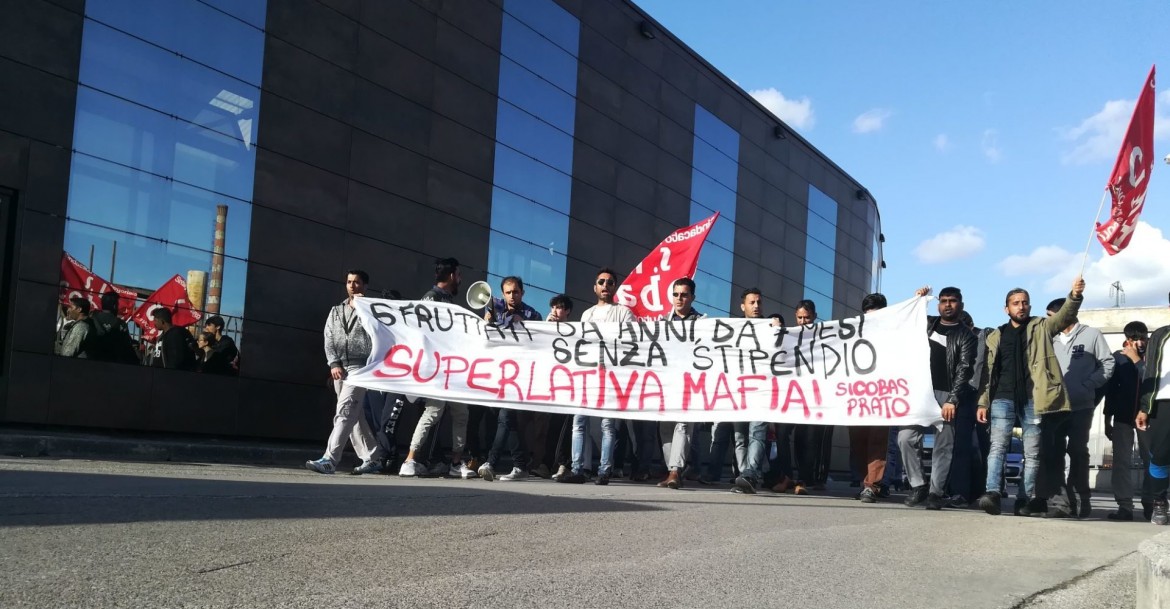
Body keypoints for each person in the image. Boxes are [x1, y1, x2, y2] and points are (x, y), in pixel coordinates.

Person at [976, 276, 1085, 518]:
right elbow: (988, 372)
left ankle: (1024, 499)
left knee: (1033, 452)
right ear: (1007, 308)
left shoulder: (1041, 327)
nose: (1021, 306)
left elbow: (1065, 315)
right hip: (1001, 398)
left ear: (1030, 306)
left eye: (1024, 302)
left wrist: (1074, 296)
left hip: (1034, 398)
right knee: (997, 447)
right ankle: (992, 493)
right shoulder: (996, 335)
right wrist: (983, 401)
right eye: (1016, 303)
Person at [898, 287, 976, 510]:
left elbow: (965, 368)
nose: (947, 305)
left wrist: (953, 399)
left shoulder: (966, 336)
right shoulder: (927, 324)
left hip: (947, 395)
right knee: (905, 438)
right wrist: (917, 299)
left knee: (944, 447)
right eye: (943, 301)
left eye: (952, 301)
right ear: (938, 304)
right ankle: (918, 485)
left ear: (960, 304)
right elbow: (905, 321)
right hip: (920, 393)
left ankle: (935, 493)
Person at [399, 257, 477, 479]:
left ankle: (455, 462)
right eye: (459, 275)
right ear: (452, 275)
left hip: (453, 369)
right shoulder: (431, 298)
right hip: (438, 369)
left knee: (460, 413)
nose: (460, 280)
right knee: (433, 412)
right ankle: (410, 459)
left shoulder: (447, 301)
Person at [558, 268, 634, 485]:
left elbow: (631, 342)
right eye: (601, 282)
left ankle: (604, 471)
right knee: (579, 422)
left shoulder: (624, 313)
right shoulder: (587, 314)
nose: (605, 285)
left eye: (610, 282)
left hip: (611, 375)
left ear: (615, 287)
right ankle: (577, 469)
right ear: (595, 287)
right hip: (587, 374)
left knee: (607, 425)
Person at [305, 269, 385, 475]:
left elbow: (378, 335)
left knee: (345, 412)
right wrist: (333, 363)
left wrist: (364, 308)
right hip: (340, 368)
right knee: (354, 416)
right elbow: (329, 337)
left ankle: (329, 459)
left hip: (361, 367)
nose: (352, 286)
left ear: (365, 286)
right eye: (349, 282)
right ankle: (373, 458)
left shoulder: (372, 310)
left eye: (357, 282)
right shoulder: (336, 310)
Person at [1046, 298, 1114, 518]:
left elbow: (1108, 363)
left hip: (1081, 405)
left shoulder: (1092, 335)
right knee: (1054, 452)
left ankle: (1081, 497)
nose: (1048, 322)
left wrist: (1089, 384)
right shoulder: (1050, 338)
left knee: (1077, 451)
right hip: (1054, 407)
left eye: (1050, 317)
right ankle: (1061, 502)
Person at [478, 276, 542, 482]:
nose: (512, 296)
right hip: (498, 375)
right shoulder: (494, 308)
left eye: (515, 292)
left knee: (505, 417)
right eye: (508, 292)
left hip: (520, 377)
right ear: (502, 293)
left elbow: (540, 343)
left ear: (522, 292)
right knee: (511, 422)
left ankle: (491, 462)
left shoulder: (533, 314)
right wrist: (487, 322)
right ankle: (520, 466)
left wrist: (524, 325)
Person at [704, 288, 763, 489]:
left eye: (758, 302)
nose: (756, 306)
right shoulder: (733, 329)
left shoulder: (769, 327)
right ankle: (737, 473)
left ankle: (749, 473)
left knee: (753, 433)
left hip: (760, 391)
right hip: (734, 391)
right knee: (731, 436)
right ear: (742, 306)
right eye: (752, 302)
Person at [657, 277, 703, 490]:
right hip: (666, 383)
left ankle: (675, 470)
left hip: (690, 383)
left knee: (683, 425)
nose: (679, 298)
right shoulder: (661, 323)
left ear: (692, 297)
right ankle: (671, 471)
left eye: (684, 294)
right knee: (665, 427)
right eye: (675, 294)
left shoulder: (703, 323)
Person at [1103, 321, 1149, 521]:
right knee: (1121, 462)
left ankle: (1152, 503)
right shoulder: (1118, 359)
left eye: (1143, 338)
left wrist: (1138, 360)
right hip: (1122, 417)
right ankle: (1125, 506)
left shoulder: (1152, 358)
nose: (1140, 343)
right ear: (1127, 340)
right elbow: (1110, 391)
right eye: (1135, 339)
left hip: (1148, 417)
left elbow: (1151, 380)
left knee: (1151, 461)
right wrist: (1107, 419)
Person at [849, 293, 892, 503]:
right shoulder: (852, 333)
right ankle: (863, 481)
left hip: (881, 394)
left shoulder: (894, 333)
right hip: (857, 395)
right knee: (858, 441)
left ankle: (872, 485)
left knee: (877, 440)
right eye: (868, 314)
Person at [1139, 295, 1170, 525]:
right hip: (1162, 403)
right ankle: (1159, 501)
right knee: (1159, 456)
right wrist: (1144, 407)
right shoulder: (1160, 335)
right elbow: (1149, 373)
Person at [545, 294, 576, 481]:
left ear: (568, 311)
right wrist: (547, 328)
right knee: (550, 426)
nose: (556, 311)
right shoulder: (547, 327)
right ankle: (547, 463)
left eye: (560, 307)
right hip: (552, 385)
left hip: (569, 385)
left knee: (565, 425)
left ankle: (564, 463)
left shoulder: (574, 330)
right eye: (554, 307)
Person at [86, 292, 139, 364]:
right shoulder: (121, 324)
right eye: (117, 304)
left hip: (90, 362)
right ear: (114, 306)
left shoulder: (91, 319)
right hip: (113, 364)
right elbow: (127, 347)